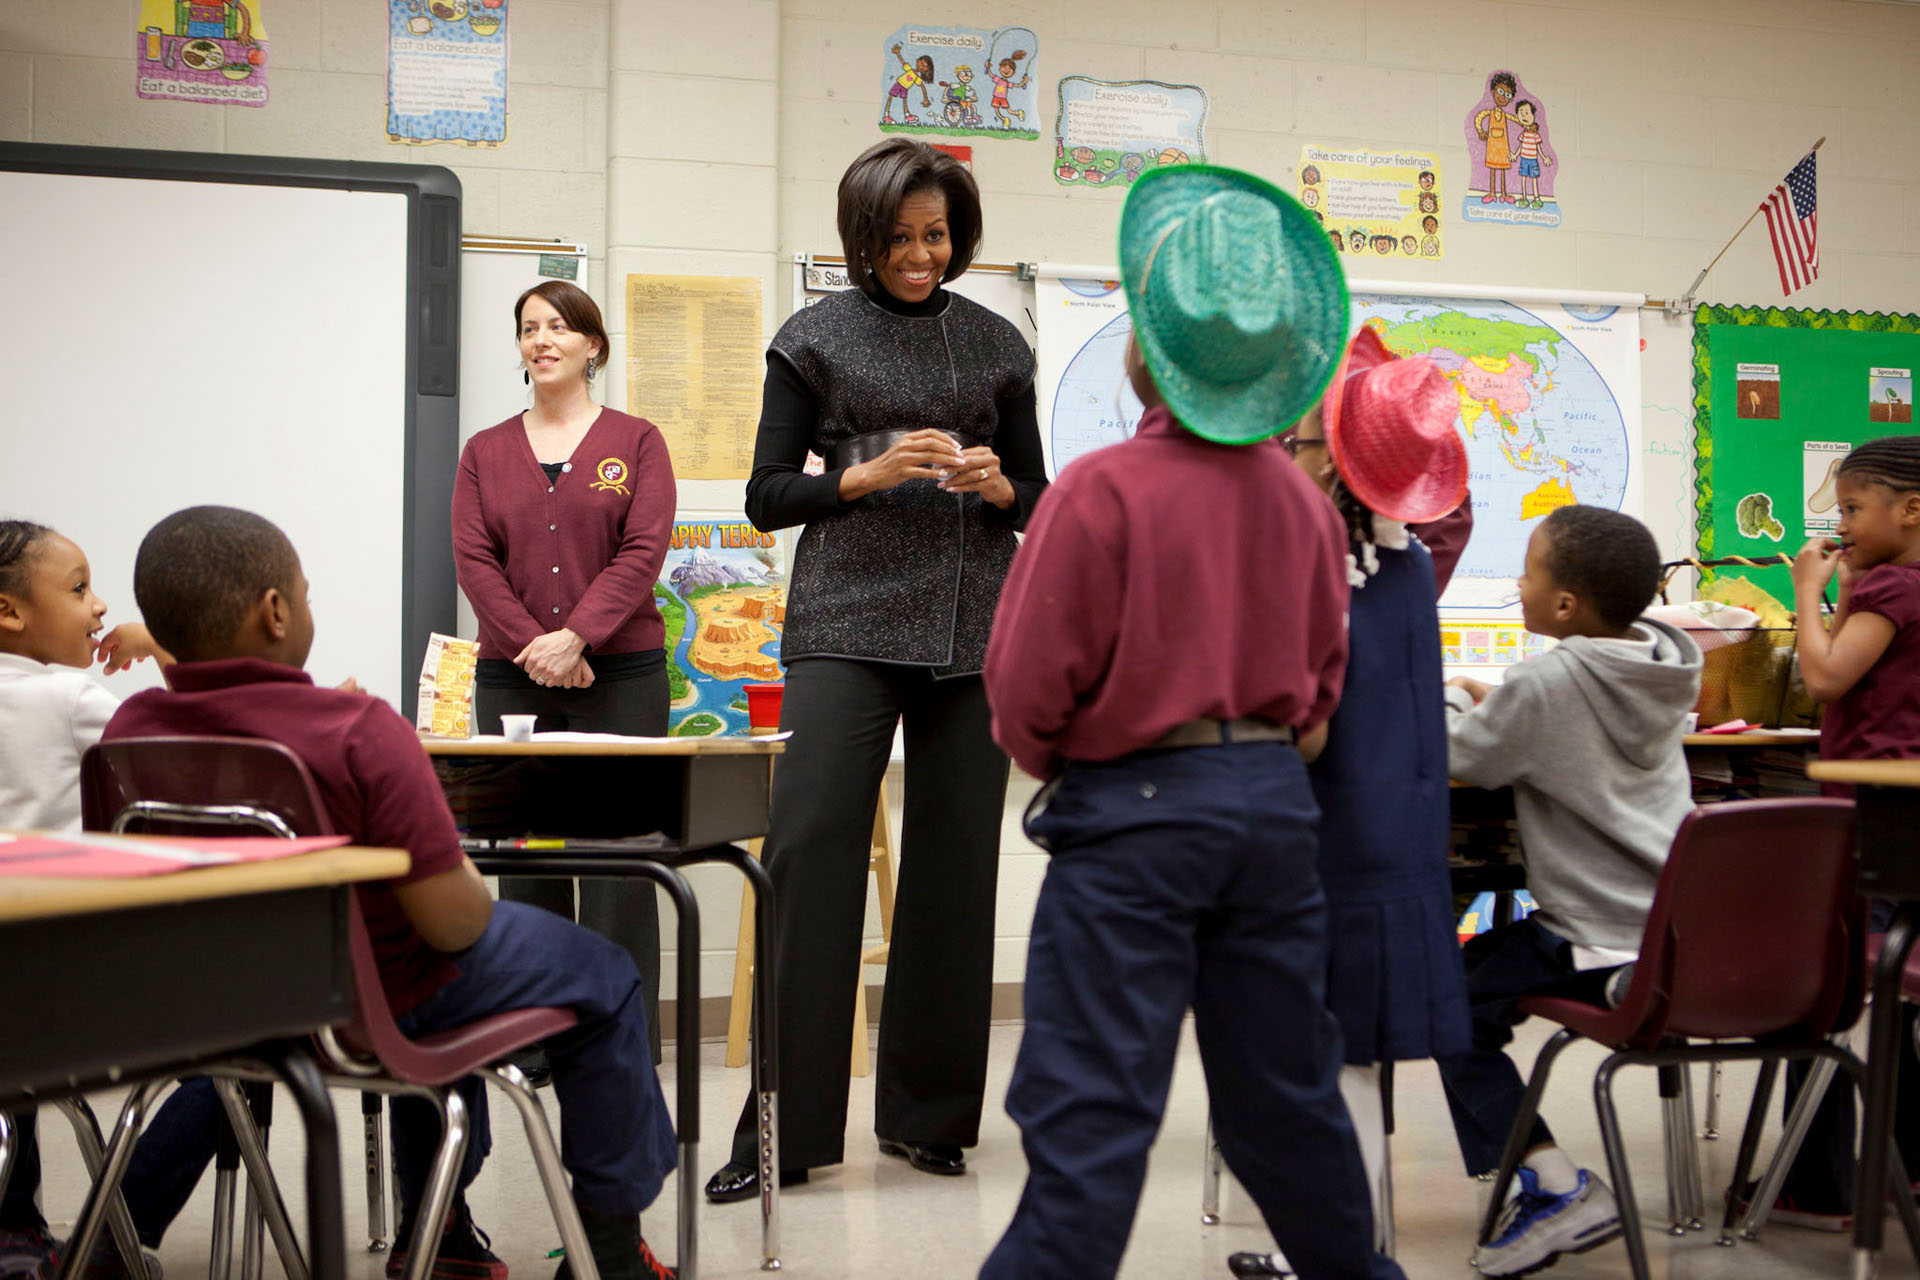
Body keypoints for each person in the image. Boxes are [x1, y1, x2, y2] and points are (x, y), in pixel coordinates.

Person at [979, 163, 1401, 1280]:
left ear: (1147, 350)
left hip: (1133, 821)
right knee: (1288, 1105)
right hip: (1272, 815)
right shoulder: (1305, 505)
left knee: (1094, 1114)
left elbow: (1024, 691)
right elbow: (1320, 694)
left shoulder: (1099, 491)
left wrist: (1068, 756)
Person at [102, 505, 680, 1280]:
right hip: (376, 1002)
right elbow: (453, 927)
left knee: (425, 977)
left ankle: (436, 1230)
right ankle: (607, 1257)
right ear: (276, 612)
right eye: (303, 594)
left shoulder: (130, 732)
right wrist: (463, 871)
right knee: (602, 971)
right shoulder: (357, 729)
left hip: (231, 1002)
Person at [703, 137, 1047, 1204]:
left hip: (970, 630)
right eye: (898, 236)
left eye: (936, 234)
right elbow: (765, 493)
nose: (919, 253)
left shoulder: (998, 342)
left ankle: (931, 1118)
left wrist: (997, 487)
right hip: (844, 624)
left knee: (952, 875)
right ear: (863, 236)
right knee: (809, 855)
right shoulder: (811, 337)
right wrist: (864, 473)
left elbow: (1041, 491)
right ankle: (781, 1131)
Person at [1227, 328, 1474, 1278]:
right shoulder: (1405, 559)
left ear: (1333, 460)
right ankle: (1347, 1245)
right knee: (1357, 1063)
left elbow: (1306, 725)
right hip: (1399, 849)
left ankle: (1332, 1256)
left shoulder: (1315, 562)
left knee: (1328, 1066)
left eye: (1297, 441)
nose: (1284, 450)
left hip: (1331, 846)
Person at [1437, 504, 1703, 1277]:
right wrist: (1509, 701)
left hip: (1592, 931)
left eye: (1526, 569)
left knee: (1445, 1007)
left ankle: (1555, 1185)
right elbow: (1550, 721)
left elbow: (1464, 756)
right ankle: (1544, 1181)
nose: (1516, 583)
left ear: (1563, 606)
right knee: (1472, 981)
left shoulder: (1549, 677)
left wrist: (1459, 692)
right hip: (1673, 924)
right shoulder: (1663, 662)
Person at [451, 279, 676, 1069]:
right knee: (526, 859)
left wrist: (578, 635)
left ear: (593, 344)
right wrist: (536, 648)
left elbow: (643, 551)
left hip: (622, 677)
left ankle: (618, 1040)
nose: (541, 339)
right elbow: (474, 561)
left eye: (558, 327)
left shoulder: (638, 440)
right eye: (528, 329)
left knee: (620, 865)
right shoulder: (483, 451)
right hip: (513, 681)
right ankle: (534, 1044)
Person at [1758, 435, 1920, 1230]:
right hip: (1906, 818)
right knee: (1897, 996)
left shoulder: (1893, 587)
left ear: (1910, 509)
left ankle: (1813, 1184)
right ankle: (1909, 1168)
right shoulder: (1896, 584)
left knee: (1823, 988)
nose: (1843, 523)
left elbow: (1824, 677)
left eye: (1854, 508)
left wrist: (1808, 592)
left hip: (1868, 814)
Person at [0, 521, 170, 1280]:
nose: (100, 607)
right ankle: (31, 1232)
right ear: (10, 613)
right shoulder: (69, 696)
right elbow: (186, 758)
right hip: (65, 976)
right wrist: (165, 647)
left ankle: (17, 1225)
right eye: (79, 590)